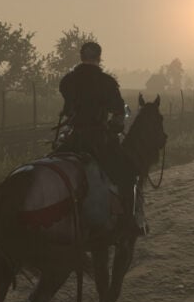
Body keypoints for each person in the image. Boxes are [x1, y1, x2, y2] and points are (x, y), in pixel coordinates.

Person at [57, 41, 143, 235]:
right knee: (128, 173)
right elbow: (119, 112)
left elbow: (68, 110)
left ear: (81, 56)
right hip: (98, 141)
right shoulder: (107, 82)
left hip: (72, 139)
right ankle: (129, 224)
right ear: (99, 57)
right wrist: (115, 126)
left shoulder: (67, 81)